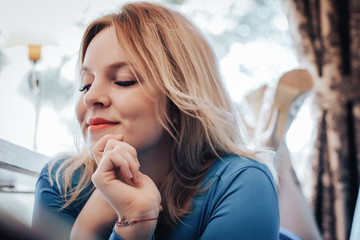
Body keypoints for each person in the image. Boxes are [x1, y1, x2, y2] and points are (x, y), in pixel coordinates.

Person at [32, 2, 280, 239]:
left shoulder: (243, 182)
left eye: (124, 80)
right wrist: (89, 229)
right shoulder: (61, 182)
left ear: (178, 99)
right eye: (85, 85)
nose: (91, 97)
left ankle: (277, 129)